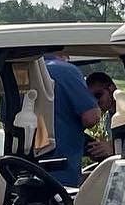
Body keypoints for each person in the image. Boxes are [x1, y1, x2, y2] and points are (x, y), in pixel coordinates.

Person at [44, 52, 112, 185]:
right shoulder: (65, 70)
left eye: (98, 96)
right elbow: (91, 118)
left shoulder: (21, 70)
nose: (95, 101)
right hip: (62, 171)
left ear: (111, 89)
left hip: (27, 168)